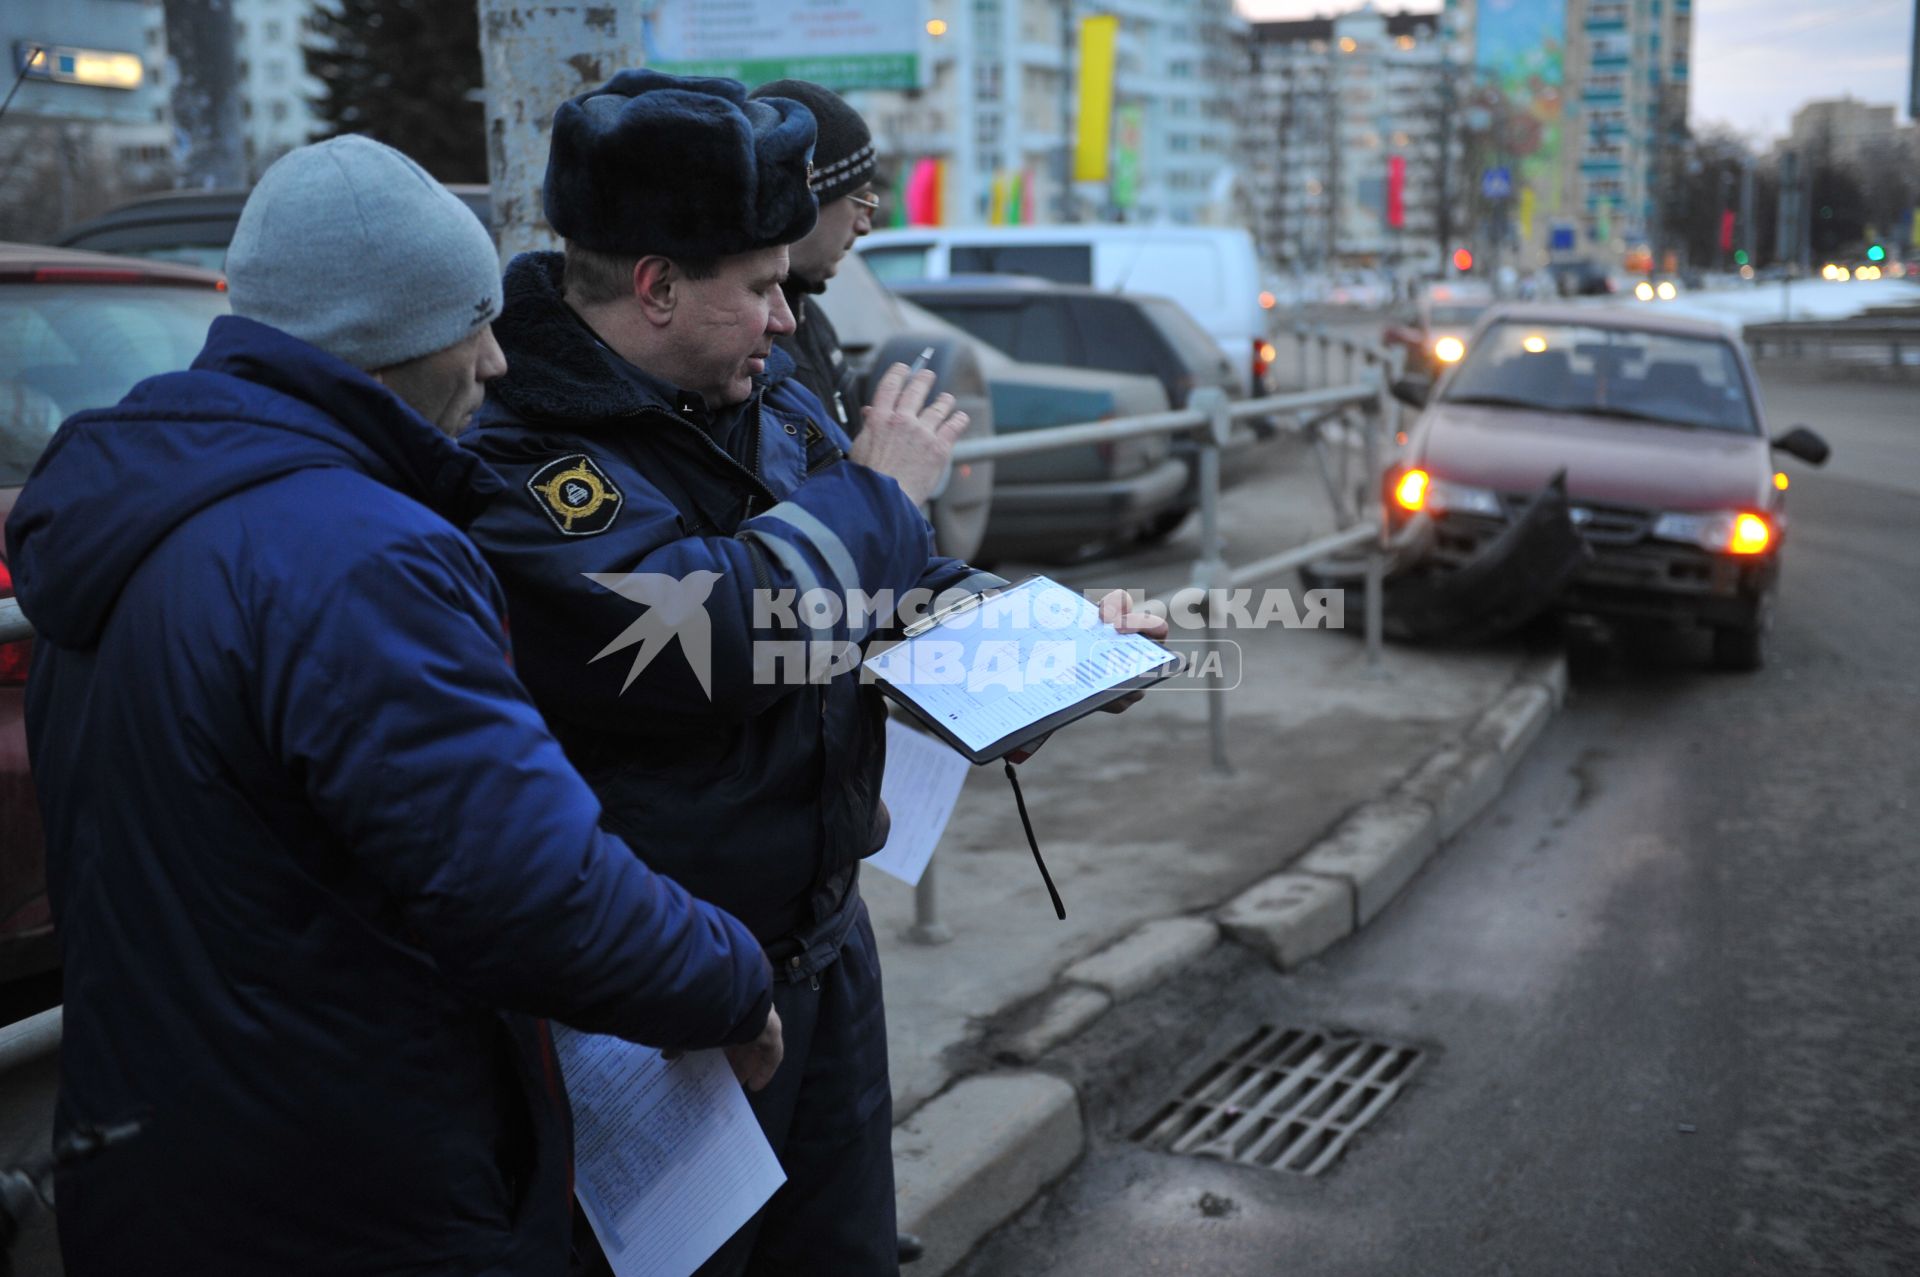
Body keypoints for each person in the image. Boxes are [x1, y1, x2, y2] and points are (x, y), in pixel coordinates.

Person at [4, 135, 782, 1276]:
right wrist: (729, 979)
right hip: (353, 1185)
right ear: (391, 338)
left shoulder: (141, 515)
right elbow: (530, 883)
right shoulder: (361, 555)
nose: (497, 361)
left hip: (161, 1161)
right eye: (472, 321)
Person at [464, 71, 1164, 1275]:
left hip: (825, 953)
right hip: (666, 1007)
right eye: (761, 288)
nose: (790, 319)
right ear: (658, 286)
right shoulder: (524, 457)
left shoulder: (757, 390)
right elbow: (708, 635)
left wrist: (1044, 650)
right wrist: (878, 490)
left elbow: (889, 589)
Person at [746, 79, 881, 433]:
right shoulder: (742, 334)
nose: (866, 225)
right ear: (808, 201)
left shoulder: (809, 314)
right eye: (861, 200)